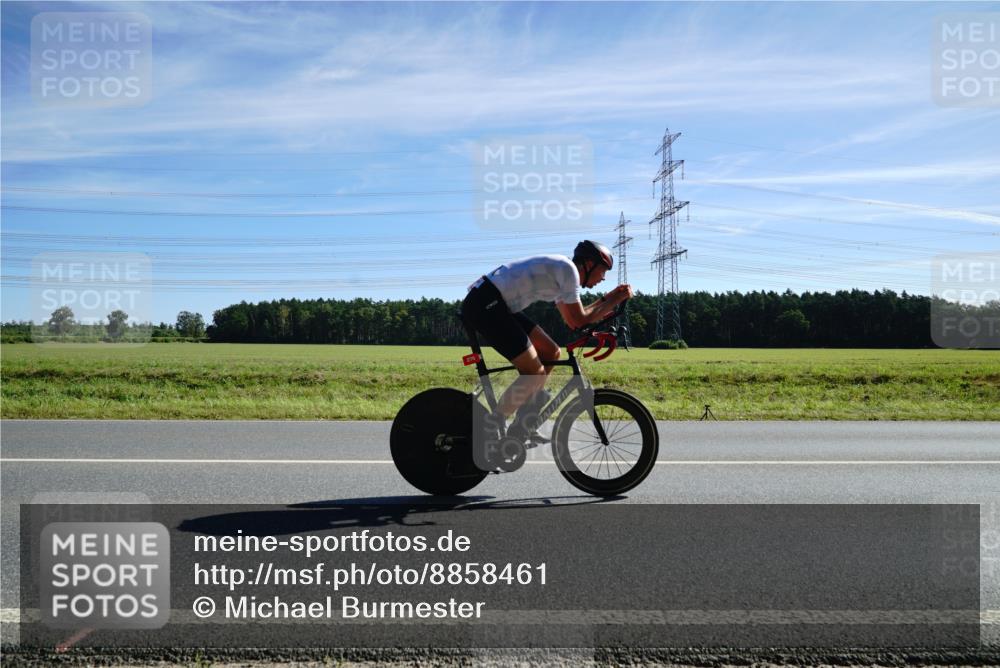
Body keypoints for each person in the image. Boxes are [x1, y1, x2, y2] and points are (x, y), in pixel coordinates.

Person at [461, 240, 633, 444]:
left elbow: (574, 321)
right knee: (534, 373)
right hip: (485, 304)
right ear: (589, 264)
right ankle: (490, 429)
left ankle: (522, 427)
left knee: (551, 353)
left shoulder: (564, 275)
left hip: (497, 304)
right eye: (603, 271)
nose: (603, 278)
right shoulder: (568, 271)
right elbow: (579, 319)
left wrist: (609, 299)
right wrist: (614, 299)